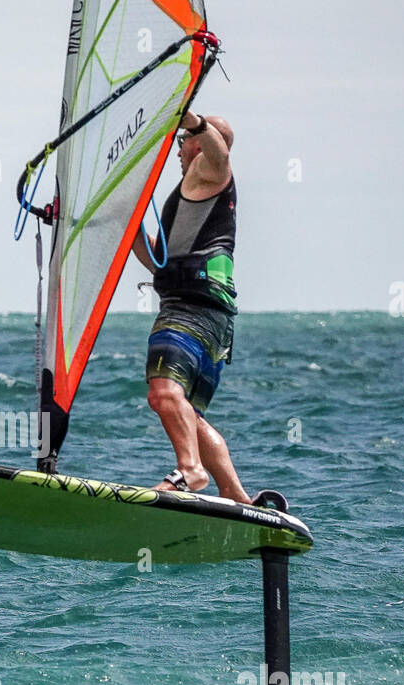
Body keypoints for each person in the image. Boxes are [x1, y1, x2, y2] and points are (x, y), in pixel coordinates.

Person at [131, 111, 257, 504]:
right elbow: (158, 260)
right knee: (188, 413)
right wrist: (125, 222)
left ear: (198, 145)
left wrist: (195, 122)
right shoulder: (193, 195)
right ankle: (235, 492)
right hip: (213, 321)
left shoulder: (210, 172)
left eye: (182, 141)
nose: (177, 151)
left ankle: (190, 470)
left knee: (163, 395)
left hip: (191, 311)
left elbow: (221, 155)